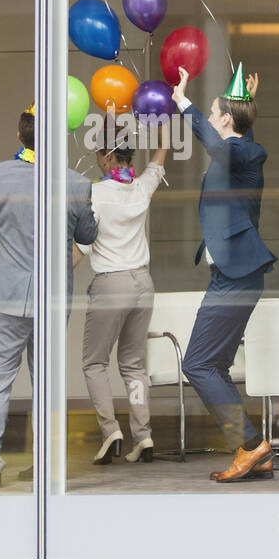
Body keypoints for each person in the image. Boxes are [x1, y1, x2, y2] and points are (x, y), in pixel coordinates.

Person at [0, 105, 98, 488]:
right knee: (46, 380)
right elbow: (88, 236)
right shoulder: (77, 184)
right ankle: (45, 463)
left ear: (21, 137)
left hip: (7, 294)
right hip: (52, 298)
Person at [171, 63, 276, 482]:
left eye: (215, 113)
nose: (211, 119)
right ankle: (255, 452)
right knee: (211, 364)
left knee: (197, 363)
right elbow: (230, 138)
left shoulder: (245, 153)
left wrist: (184, 103)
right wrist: (248, 101)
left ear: (224, 120)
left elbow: (223, 144)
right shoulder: (238, 149)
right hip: (230, 276)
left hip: (237, 276)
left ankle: (251, 446)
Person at [77, 122, 168, 465]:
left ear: (107, 156)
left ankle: (110, 430)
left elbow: (83, 245)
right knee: (133, 365)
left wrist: (57, 276)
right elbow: (158, 163)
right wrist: (162, 136)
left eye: (99, 154)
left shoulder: (95, 194)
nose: (97, 160)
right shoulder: (140, 188)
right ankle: (142, 436)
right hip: (143, 284)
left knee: (95, 362)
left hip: (111, 284)